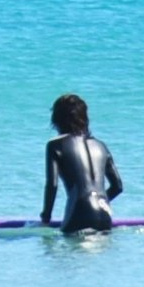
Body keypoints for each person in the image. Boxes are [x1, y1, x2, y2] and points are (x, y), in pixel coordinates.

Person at [40, 92, 122, 233]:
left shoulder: (55, 145)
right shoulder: (101, 145)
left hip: (78, 216)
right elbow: (118, 187)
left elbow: (52, 186)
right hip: (105, 216)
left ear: (57, 119)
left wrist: (45, 219)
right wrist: (97, 202)